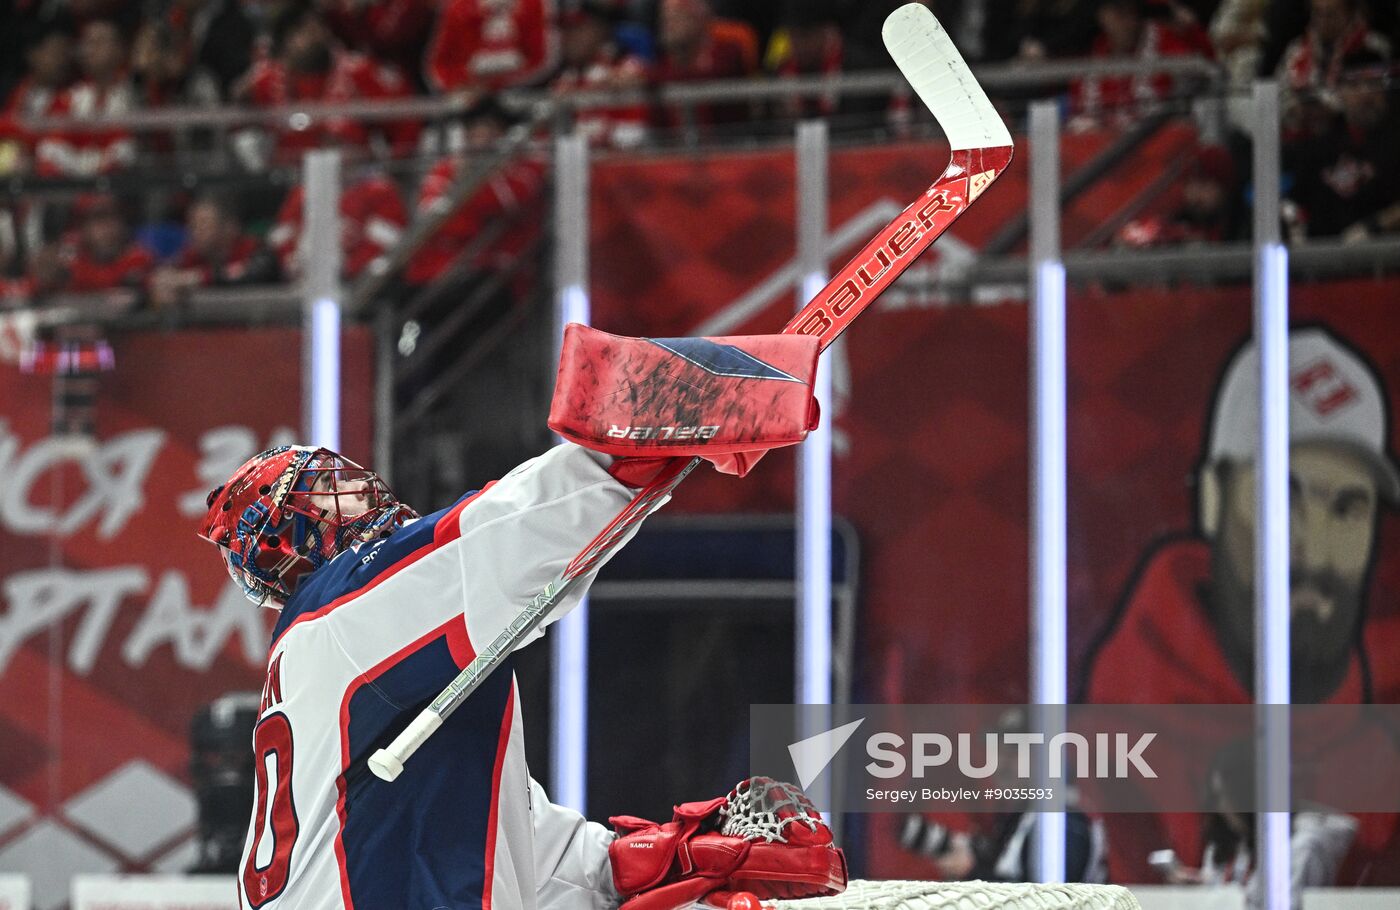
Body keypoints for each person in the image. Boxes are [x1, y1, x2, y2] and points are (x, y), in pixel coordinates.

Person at [197, 328, 830, 908]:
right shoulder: (341, 612)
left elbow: (524, 853)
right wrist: (650, 426)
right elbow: (502, 543)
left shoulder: (339, 681)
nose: (351, 495)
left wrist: (664, 860)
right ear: (288, 551)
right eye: (320, 498)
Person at [1080, 325, 1400, 884]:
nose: (1316, 551)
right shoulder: (1113, 749)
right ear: (1212, 496)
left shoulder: (1381, 750)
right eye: (1282, 498)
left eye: (1348, 508)